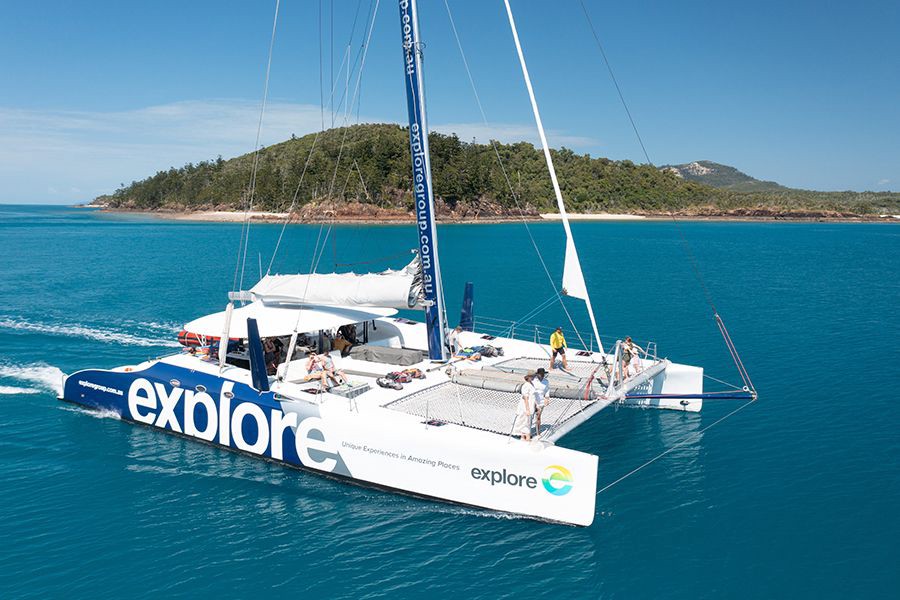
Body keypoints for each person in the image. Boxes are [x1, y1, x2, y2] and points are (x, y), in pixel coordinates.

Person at [514, 373, 536, 441]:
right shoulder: (526, 385)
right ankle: (527, 437)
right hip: (526, 405)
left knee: (527, 421)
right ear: (528, 377)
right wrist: (527, 409)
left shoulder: (531, 384)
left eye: (533, 376)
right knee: (526, 421)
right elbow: (525, 398)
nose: (533, 377)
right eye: (532, 376)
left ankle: (523, 437)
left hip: (531, 404)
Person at [532, 367, 550, 436]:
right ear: (537, 374)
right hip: (533, 400)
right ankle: (526, 432)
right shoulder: (533, 381)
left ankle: (538, 433)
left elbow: (547, 390)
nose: (542, 375)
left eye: (543, 374)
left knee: (538, 416)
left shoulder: (546, 381)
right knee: (530, 416)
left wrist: (547, 398)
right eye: (540, 374)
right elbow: (531, 391)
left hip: (541, 401)